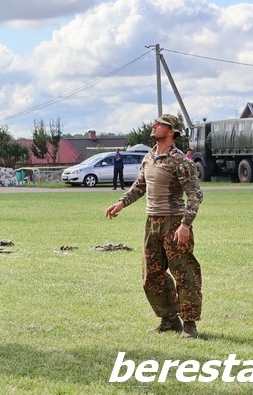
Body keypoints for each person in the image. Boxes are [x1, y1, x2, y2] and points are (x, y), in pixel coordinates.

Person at [105, 114, 203, 339]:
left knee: (184, 273)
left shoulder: (181, 161)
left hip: (174, 222)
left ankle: (189, 324)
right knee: (151, 275)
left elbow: (195, 194)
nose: (154, 125)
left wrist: (185, 225)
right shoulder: (149, 157)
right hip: (152, 223)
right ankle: (169, 320)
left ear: (171, 131)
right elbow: (140, 185)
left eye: (159, 124)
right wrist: (121, 203)